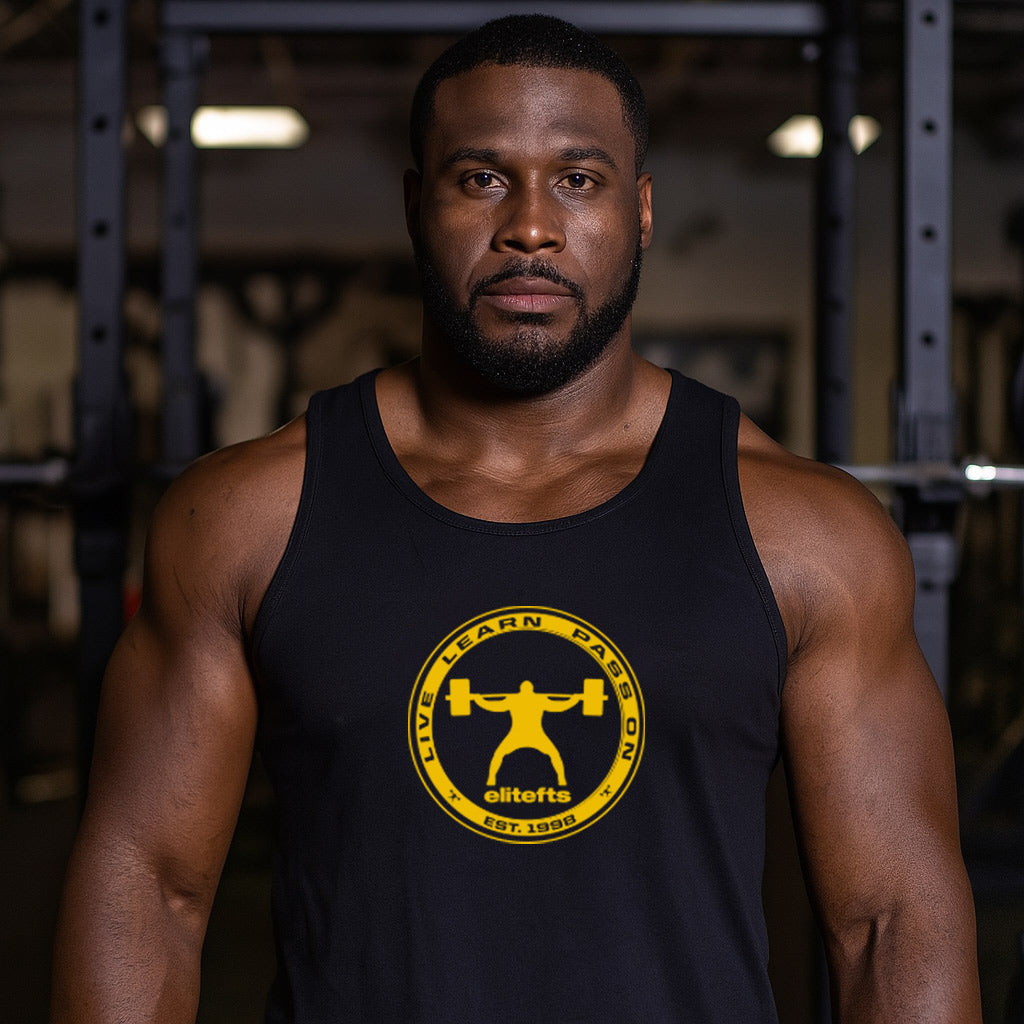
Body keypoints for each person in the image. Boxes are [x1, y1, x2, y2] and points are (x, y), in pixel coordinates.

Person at [51, 14, 982, 1023]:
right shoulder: (247, 517)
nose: (529, 225)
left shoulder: (806, 533)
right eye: (481, 177)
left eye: (578, 178)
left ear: (641, 211)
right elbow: (149, 888)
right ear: (418, 203)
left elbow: (890, 920)